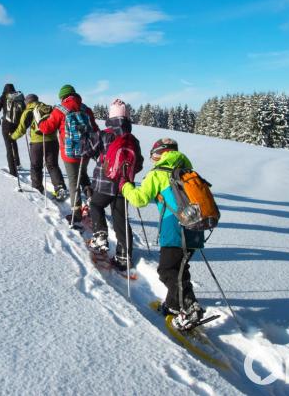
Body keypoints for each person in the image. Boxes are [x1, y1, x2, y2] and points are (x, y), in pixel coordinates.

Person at [120, 138, 206, 331]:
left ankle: (190, 307)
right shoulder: (188, 170)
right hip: (196, 227)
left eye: (154, 155)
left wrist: (125, 186)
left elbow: (140, 199)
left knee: (166, 271)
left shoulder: (158, 173)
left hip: (174, 228)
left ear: (160, 153)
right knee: (180, 268)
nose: (153, 159)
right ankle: (174, 305)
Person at [85, 99, 144, 271]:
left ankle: (101, 235)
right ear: (126, 117)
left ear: (111, 116)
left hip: (104, 184)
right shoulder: (133, 139)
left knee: (96, 205)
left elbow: (88, 151)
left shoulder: (104, 134)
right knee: (121, 220)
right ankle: (124, 256)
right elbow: (138, 163)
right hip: (124, 186)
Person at [37, 84, 99, 223]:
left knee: (73, 181)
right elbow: (95, 129)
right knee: (83, 175)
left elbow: (47, 128)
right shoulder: (86, 109)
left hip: (69, 152)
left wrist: (40, 122)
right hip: (86, 152)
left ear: (63, 97)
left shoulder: (60, 110)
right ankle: (90, 198)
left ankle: (76, 212)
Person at [10, 94, 68, 199]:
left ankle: (37, 189)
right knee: (53, 165)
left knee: (36, 166)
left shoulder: (28, 111)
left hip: (37, 143)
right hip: (53, 141)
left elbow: (21, 129)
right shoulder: (49, 108)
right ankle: (60, 188)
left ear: (28, 102)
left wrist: (12, 137)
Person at [0, 83, 23, 176]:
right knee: (14, 142)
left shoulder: (4, 96)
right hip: (16, 124)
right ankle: (17, 164)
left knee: (9, 147)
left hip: (7, 125)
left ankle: (13, 171)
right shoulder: (19, 96)